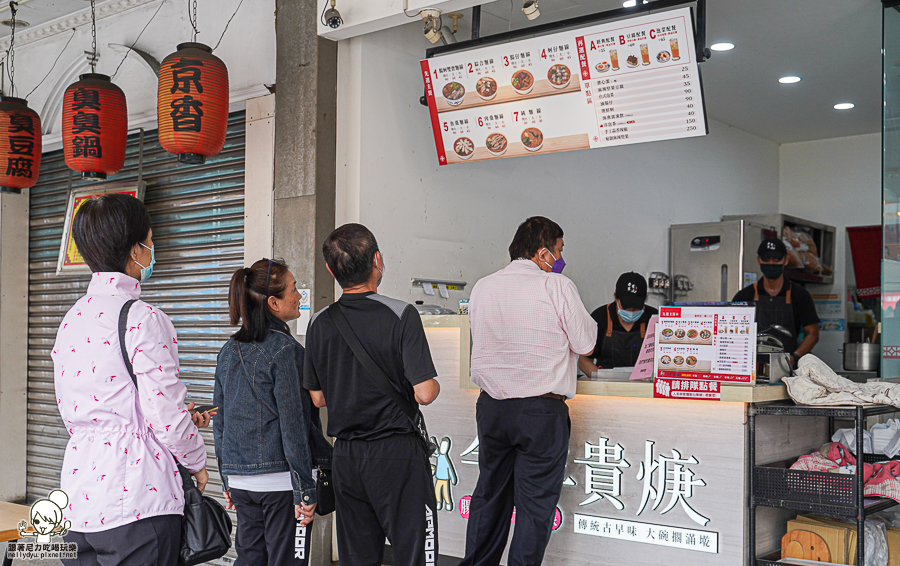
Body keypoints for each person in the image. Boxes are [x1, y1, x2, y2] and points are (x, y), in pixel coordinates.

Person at [52, 194, 212, 566]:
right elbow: (166, 415)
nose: (152, 251)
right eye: (151, 242)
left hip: (77, 501)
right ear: (135, 250)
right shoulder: (143, 318)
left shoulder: (71, 319)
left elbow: (79, 409)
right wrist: (196, 463)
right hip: (138, 501)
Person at [461, 216, 597, 566]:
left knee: (490, 497)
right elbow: (585, 342)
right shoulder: (557, 286)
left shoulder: (483, 286)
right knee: (534, 507)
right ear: (543, 253)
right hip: (541, 412)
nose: (561, 258)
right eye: (559, 251)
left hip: (492, 409)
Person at [303, 223, 441, 566]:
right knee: (415, 555)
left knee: (358, 558)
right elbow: (424, 393)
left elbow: (318, 399)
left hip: (347, 458)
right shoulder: (401, 314)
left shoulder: (319, 322)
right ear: (377, 260)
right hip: (397, 455)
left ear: (330, 270)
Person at [213, 258, 332, 566]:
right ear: (274, 303)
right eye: (294, 289)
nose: (300, 295)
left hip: (241, 482)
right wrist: (305, 490)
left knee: (250, 560)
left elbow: (220, 422)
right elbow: (294, 426)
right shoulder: (287, 352)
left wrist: (227, 478)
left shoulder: (227, 351)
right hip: (281, 484)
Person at [732, 237, 820, 366]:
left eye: (776, 260)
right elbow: (732, 333)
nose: (771, 264)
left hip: (788, 367)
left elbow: (813, 334)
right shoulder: (744, 296)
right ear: (758, 260)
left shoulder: (800, 295)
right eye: (766, 260)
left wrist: (794, 357)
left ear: (786, 260)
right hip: (752, 367)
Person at [579, 272, 659, 374]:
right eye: (627, 306)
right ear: (616, 297)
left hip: (644, 384)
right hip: (606, 386)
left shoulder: (654, 318)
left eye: (636, 307)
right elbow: (584, 361)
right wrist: (601, 381)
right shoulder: (600, 317)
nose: (631, 311)